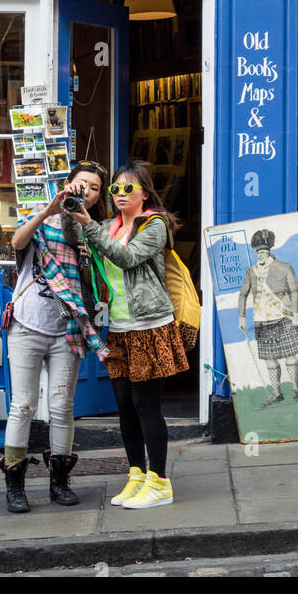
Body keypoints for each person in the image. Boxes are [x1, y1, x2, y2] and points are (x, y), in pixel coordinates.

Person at [72, 159, 188, 510]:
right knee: (124, 408)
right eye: (115, 189)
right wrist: (74, 198)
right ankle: (136, 474)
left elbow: (126, 258)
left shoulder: (154, 225)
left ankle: (160, 482)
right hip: (119, 329)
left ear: (144, 194)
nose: (120, 194)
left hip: (150, 327)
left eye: (128, 189)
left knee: (146, 406)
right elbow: (71, 234)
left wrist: (90, 228)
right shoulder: (106, 224)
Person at [0, 160, 111, 514]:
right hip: (27, 326)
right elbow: (17, 242)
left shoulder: (92, 230)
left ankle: (59, 482)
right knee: (23, 406)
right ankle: (15, 486)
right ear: (68, 184)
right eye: (82, 184)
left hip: (69, 331)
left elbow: (100, 288)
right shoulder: (42, 218)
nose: (87, 192)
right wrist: (48, 209)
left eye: (94, 188)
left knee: (62, 406)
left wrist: (86, 248)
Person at [238, 229, 298, 407]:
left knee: (291, 356)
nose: (260, 255)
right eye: (258, 252)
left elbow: (295, 291)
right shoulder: (251, 272)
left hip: (284, 317)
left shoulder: (284, 268)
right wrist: (242, 318)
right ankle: (276, 393)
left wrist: (296, 315)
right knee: (270, 359)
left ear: (270, 253)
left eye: (263, 252)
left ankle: (296, 388)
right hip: (262, 320)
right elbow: (243, 295)